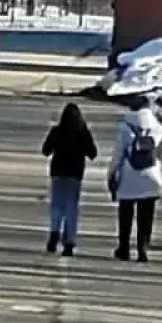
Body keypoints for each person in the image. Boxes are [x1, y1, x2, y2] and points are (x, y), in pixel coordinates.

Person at [108, 96, 162, 262]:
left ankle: (124, 248)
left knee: (126, 215)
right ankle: (143, 249)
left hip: (128, 177)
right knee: (146, 216)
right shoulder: (157, 127)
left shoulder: (125, 127)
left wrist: (111, 174)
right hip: (151, 177)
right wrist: (156, 163)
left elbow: (117, 156)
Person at [42, 101, 98, 256]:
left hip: (58, 173)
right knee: (71, 209)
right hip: (75, 174)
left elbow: (45, 151)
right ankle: (69, 242)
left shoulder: (57, 131)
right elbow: (93, 153)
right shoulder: (82, 132)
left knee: (56, 206)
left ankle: (54, 233)